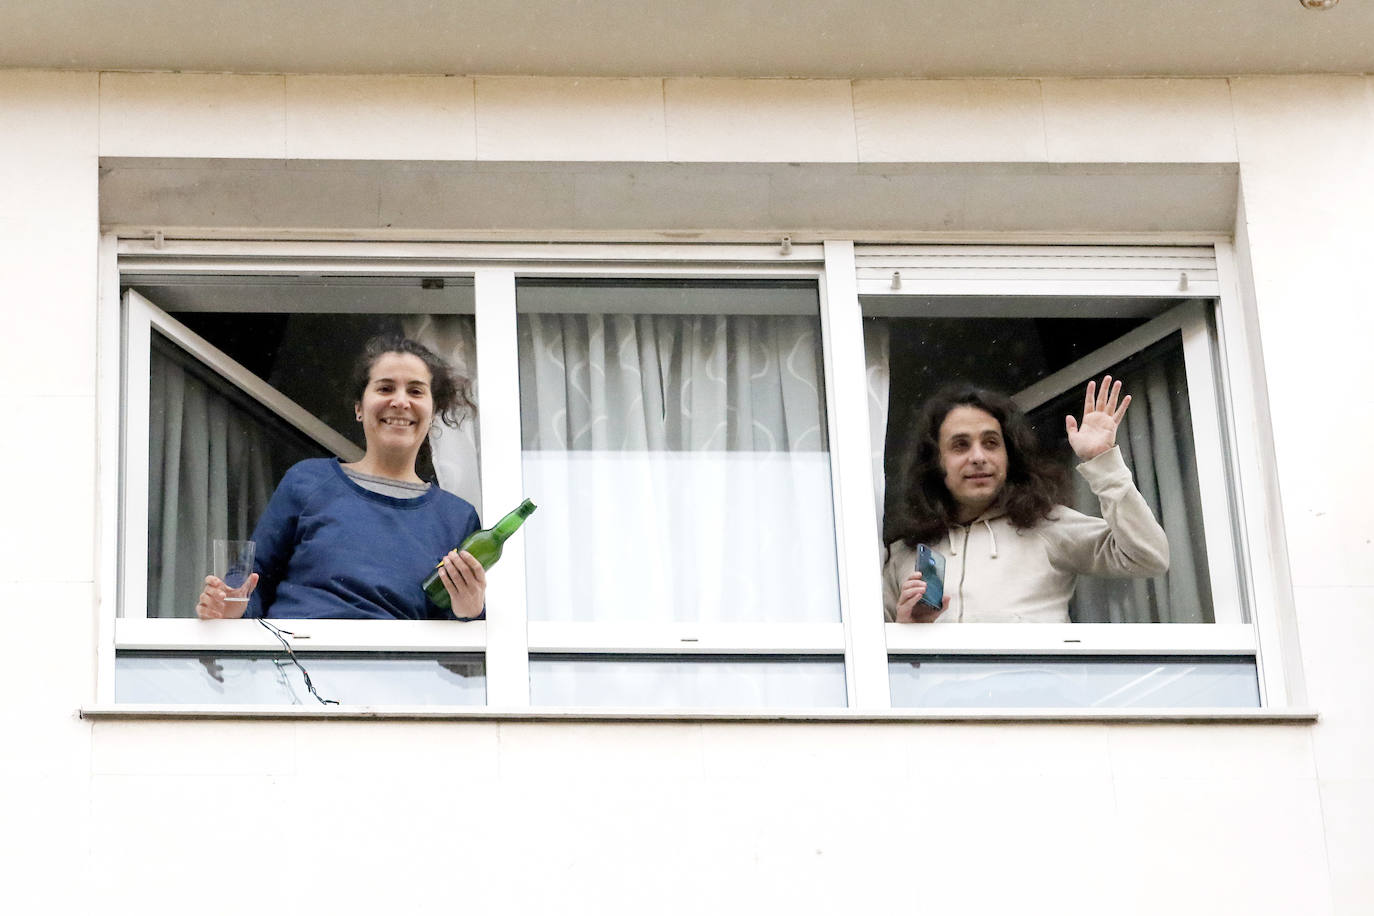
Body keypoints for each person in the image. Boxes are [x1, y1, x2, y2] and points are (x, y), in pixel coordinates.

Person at [196, 335, 486, 620]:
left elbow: (459, 658)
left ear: (433, 411)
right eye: (385, 388)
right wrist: (230, 605)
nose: (400, 401)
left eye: (416, 391)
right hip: (294, 662)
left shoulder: (456, 518)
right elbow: (252, 578)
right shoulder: (306, 481)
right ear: (359, 408)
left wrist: (471, 612)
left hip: (399, 667)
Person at [883, 375, 1168, 623]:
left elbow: (1149, 557)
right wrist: (907, 632)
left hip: (1036, 685)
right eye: (960, 445)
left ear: (1010, 457)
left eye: (991, 443)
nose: (978, 457)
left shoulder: (1046, 525)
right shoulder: (903, 553)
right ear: (935, 462)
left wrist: (1103, 463)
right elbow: (871, 659)